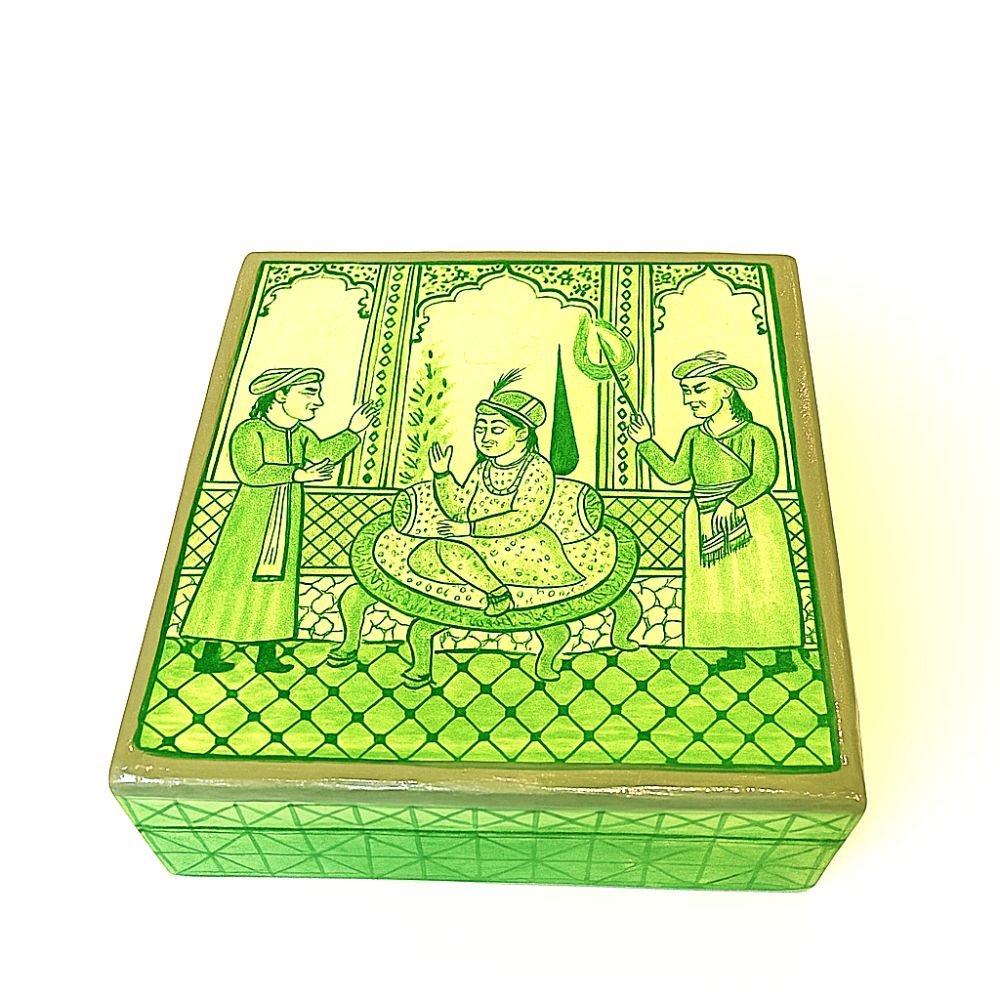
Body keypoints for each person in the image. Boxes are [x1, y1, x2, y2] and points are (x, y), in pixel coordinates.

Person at [181, 367, 379, 672]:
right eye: (309, 393)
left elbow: (321, 453)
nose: (317, 402)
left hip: (286, 523)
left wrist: (353, 432)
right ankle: (210, 653)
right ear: (281, 395)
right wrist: (297, 474)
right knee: (233, 582)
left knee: (279, 587)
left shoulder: (300, 434)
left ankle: (267, 655)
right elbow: (250, 472)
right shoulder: (250, 431)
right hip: (250, 525)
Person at [627, 351, 802, 670]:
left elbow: (764, 476)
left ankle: (783, 653)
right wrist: (645, 442)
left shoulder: (756, 434)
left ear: (725, 389)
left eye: (699, 389)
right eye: (686, 392)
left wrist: (733, 501)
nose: (690, 399)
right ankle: (733, 651)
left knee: (763, 581)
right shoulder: (694, 436)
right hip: (705, 517)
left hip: (753, 515)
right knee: (720, 586)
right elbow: (674, 474)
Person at [409, 369, 582, 616]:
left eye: (497, 429)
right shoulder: (483, 468)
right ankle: (479, 574)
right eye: (480, 428)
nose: (485, 437)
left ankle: (498, 593)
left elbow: (525, 517)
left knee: (446, 552)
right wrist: (442, 475)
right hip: (481, 543)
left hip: (524, 545)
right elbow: (459, 509)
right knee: (422, 557)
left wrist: (470, 529)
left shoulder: (537, 467)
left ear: (521, 433)